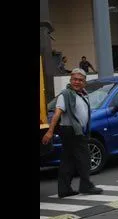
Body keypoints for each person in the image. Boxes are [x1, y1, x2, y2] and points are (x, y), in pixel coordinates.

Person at [41, 68, 103, 198]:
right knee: (85, 158)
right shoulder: (66, 94)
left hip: (74, 131)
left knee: (67, 161)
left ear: (84, 82)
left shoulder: (82, 94)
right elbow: (57, 113)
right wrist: (50, 131)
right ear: (70, 80)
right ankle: (86, 186)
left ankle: (64, 190)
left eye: (80, 80)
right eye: (75, 79)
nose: (77, 82)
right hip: (71, 131)